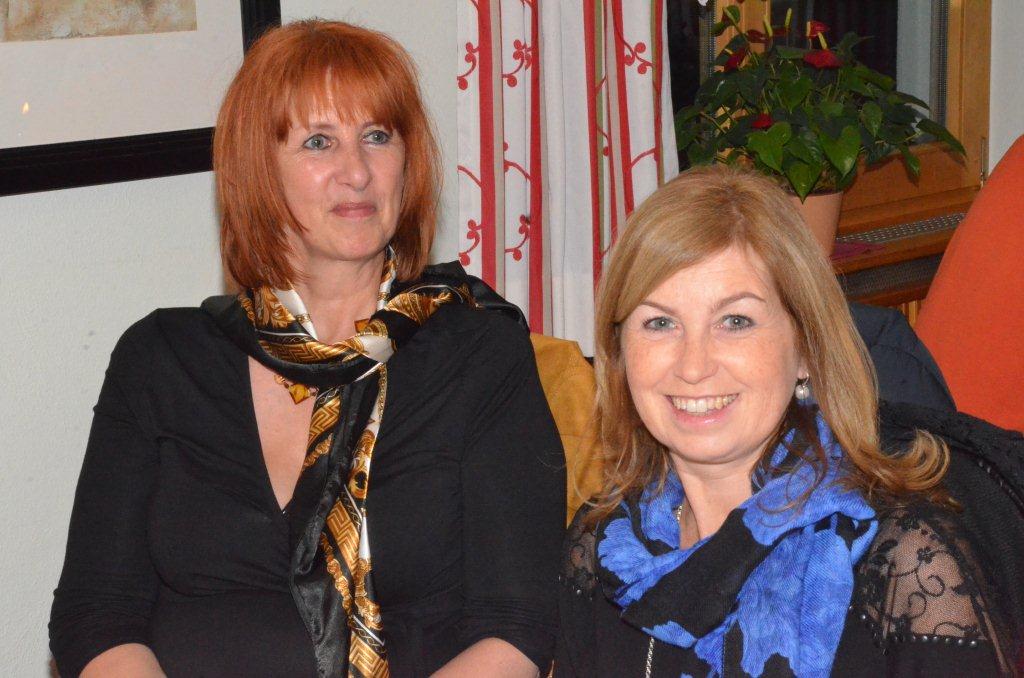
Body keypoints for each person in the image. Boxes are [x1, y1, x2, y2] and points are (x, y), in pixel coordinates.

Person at [50, 20, 564, 678]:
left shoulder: (479, 354)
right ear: (258, 171)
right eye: (320, 142)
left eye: (378, 136)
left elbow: (518, 627)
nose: (358, 172)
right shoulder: (159, 360)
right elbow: (95, 613)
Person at [555, 166, 1024, 677]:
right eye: (660, 322)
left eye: (735, 321)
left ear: (804, 349)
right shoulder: (603, 548)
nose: (693, 366)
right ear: (620, 352)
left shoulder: (905, 564)